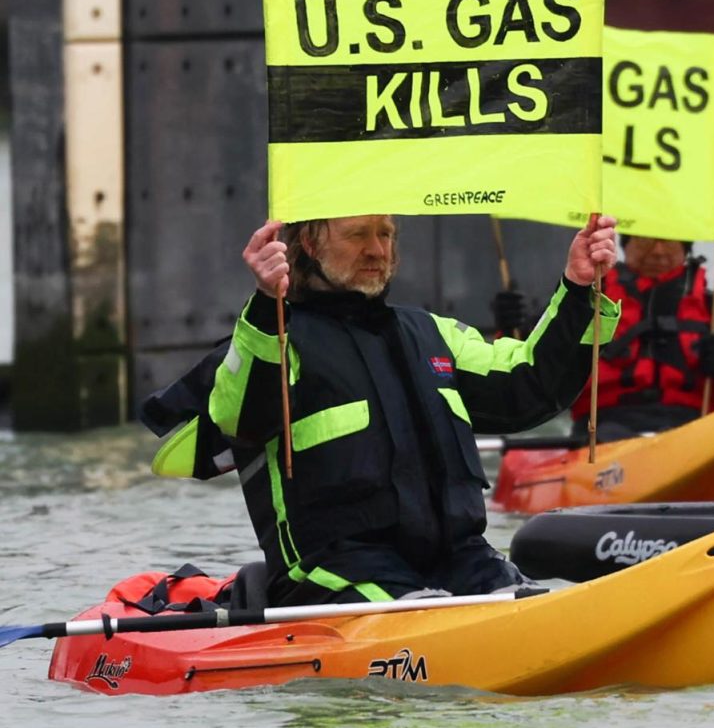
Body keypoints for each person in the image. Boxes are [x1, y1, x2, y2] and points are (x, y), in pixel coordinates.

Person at [155, 213, 619, 608]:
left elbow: (529, 385)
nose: (377, 249)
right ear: (310, 244)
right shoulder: (273, 337)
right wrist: (263, 305)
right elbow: (242, 420)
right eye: (359, 235)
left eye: (386, 234)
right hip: (334, 575)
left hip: (462, 559)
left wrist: (577, 288)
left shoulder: (433, 333)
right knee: (424, 612)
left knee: (544, 605)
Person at [495, 233, 714, 439]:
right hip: (603, 430)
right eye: (644, 241)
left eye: (668, 241)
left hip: (694, 430)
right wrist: (509, 328)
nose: (656, 251)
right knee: (611, 434)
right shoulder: (583, 303)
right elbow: (525, 365)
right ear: (625, 245)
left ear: (685, 249)